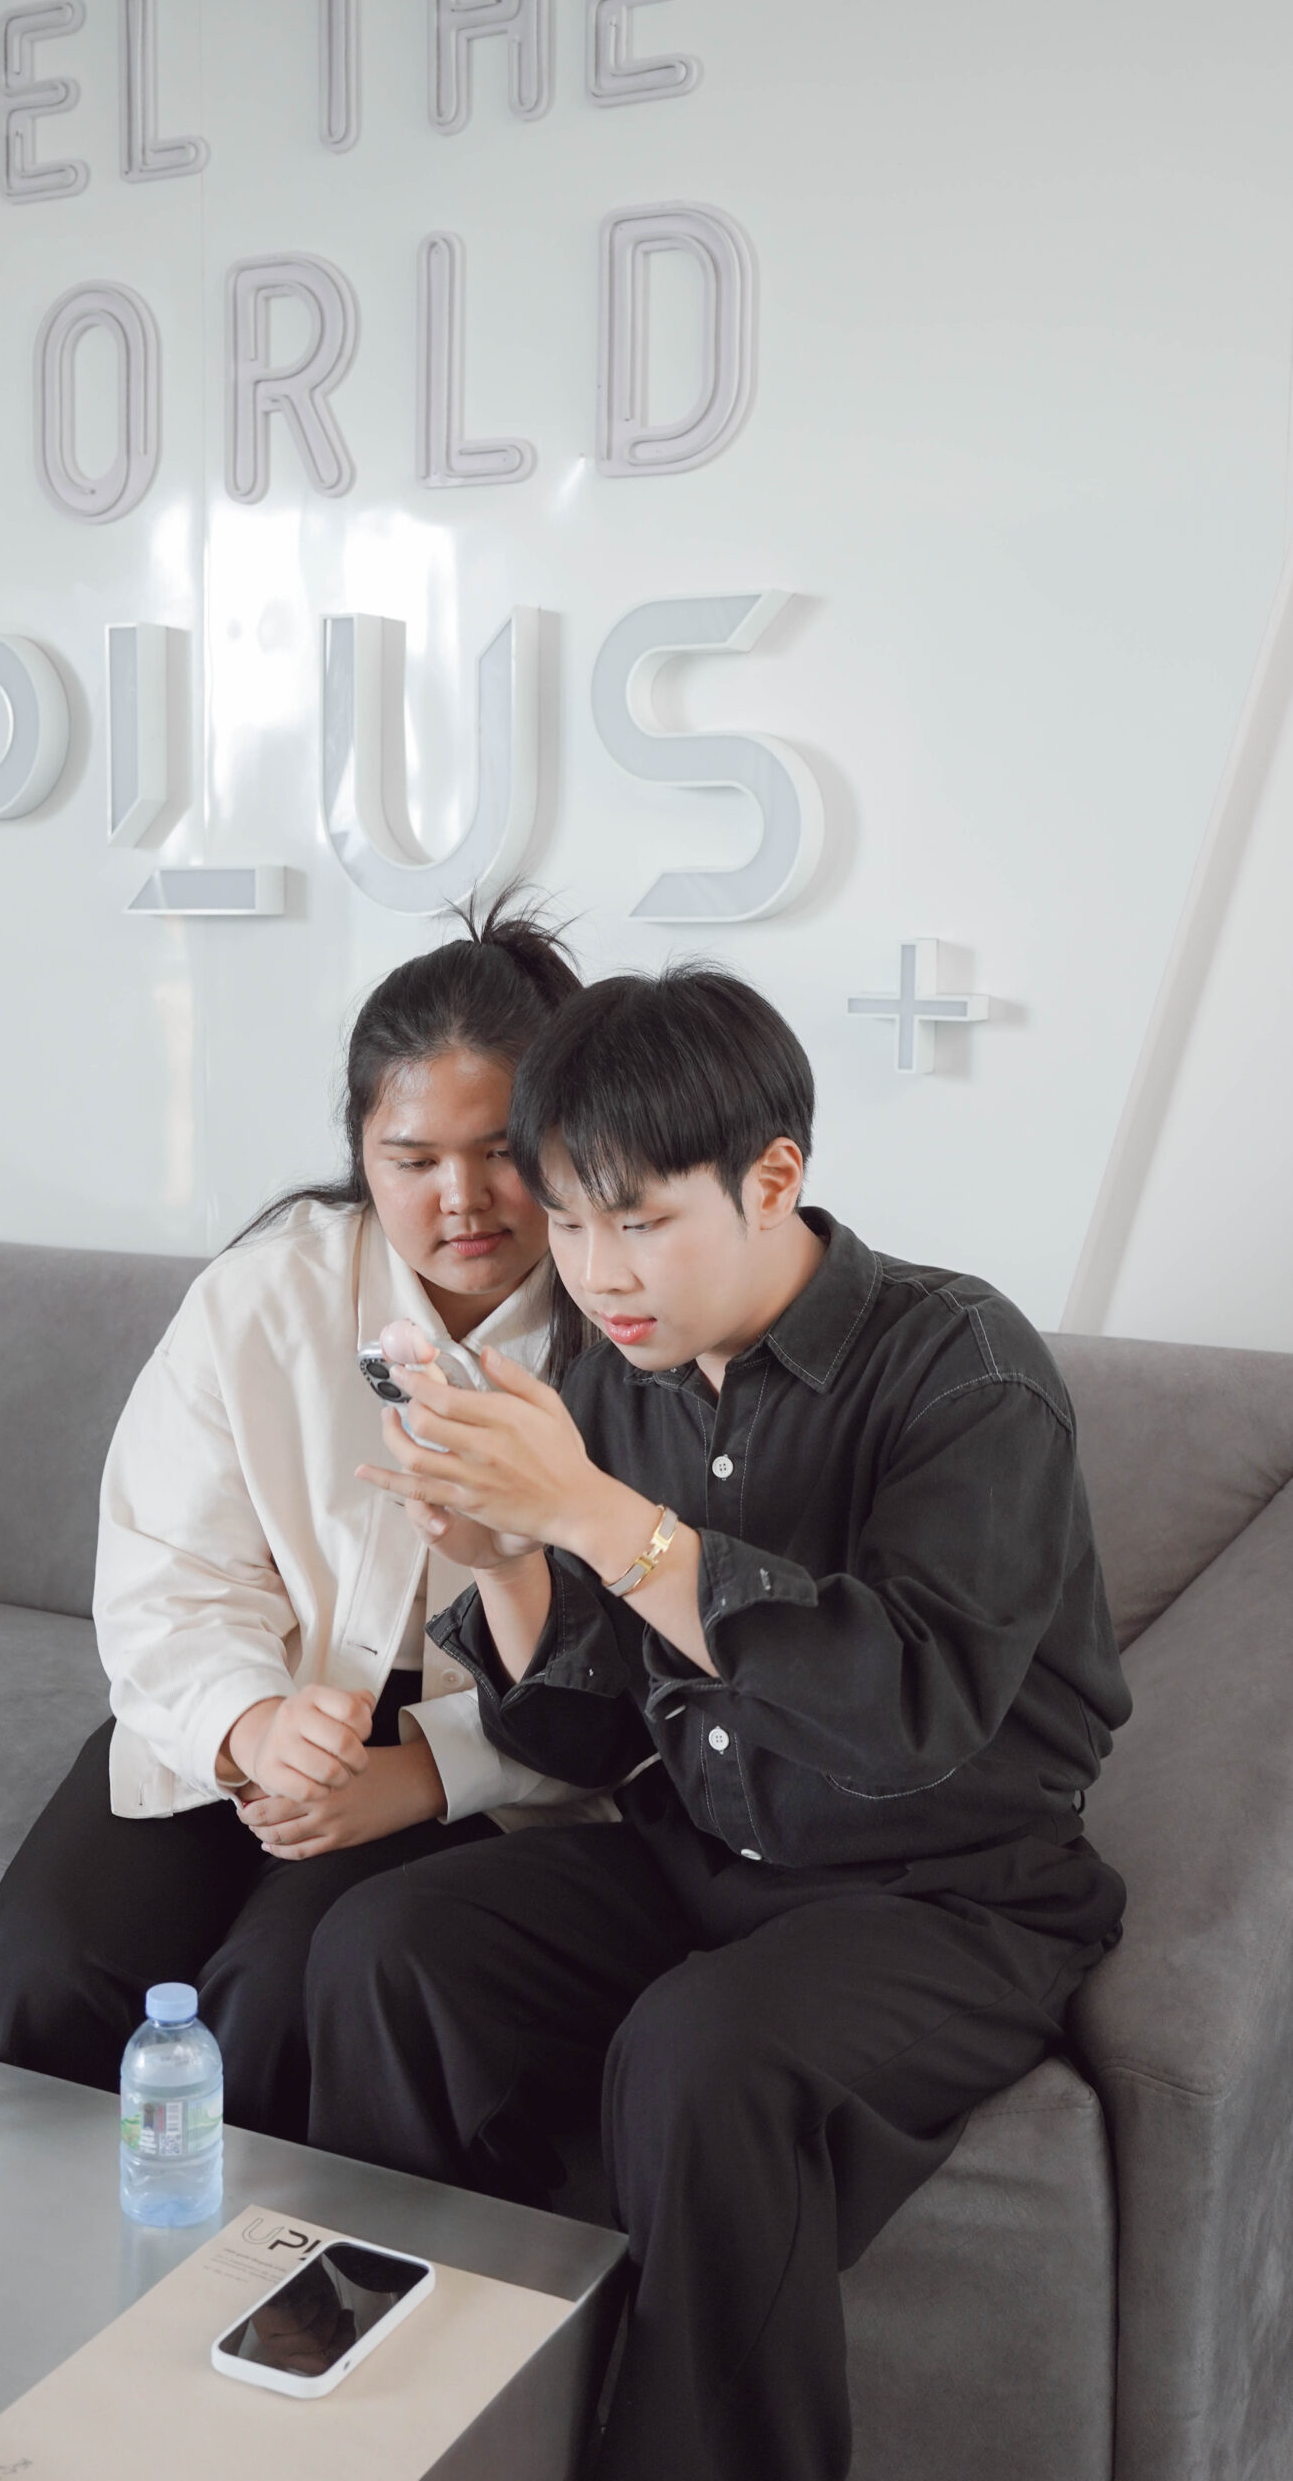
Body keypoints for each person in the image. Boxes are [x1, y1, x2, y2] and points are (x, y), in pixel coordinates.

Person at [316, 965, 1131, 2481]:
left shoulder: (963, 1364)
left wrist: (598, 1519)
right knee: (385, 1946)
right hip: (700, 1857)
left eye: (638, 1222)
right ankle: (415, 2424)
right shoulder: (614, 1379)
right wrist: (505, 1563)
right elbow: (578, 1742)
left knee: (704, 2059)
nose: (595, 1271)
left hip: (950, 1897)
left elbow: (907, 1706)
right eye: (569, 1223)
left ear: (771, 1179)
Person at [0, 899, 595, 2138]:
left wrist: (429, 1770)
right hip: (251, 1701)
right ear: (361, 1149)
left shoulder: (630, 1318)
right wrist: (251, 1725)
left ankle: (258, 2266)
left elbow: (630, 1677)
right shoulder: (263, 1296)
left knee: (277, 2004)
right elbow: (167, 1571)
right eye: (412, 1160)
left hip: (488, 1754)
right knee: (43, 1973)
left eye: (501, 1151)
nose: (462, 1199)